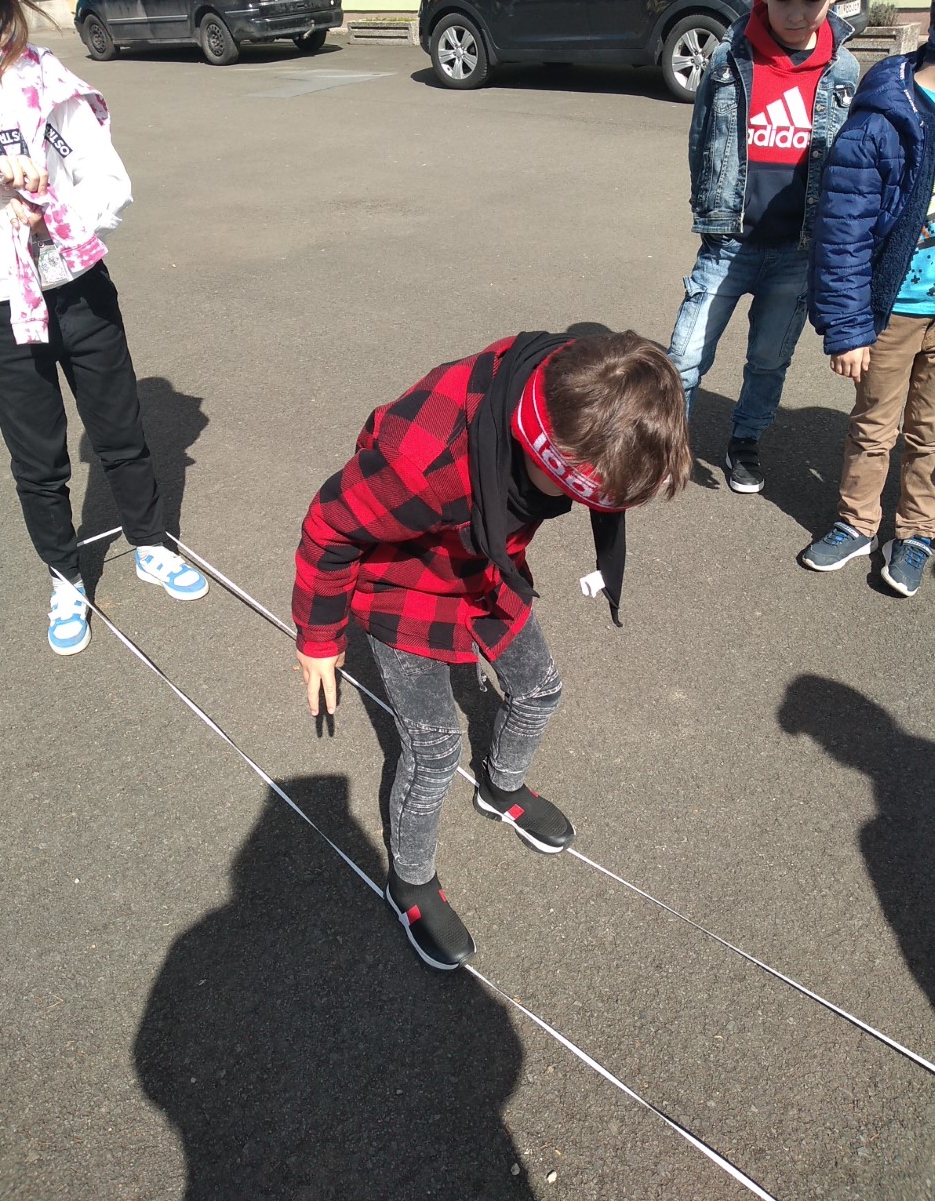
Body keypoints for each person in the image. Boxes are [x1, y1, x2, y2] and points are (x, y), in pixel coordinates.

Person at [292, 330, 691, 970]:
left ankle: (500, 790)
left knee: (540, 689)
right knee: (434, 748)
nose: (581, 508)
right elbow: (329, 527)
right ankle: (410, 882)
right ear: (547, 451)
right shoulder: (422, 465)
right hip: (403, 581)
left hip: (485, 557)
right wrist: (319, 637)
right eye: (582, 495)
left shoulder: (583, 371)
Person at [0, 0, 208, 657]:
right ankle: (65, 576)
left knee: (120, 427)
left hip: (77, 283)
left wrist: (55, 207)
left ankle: (150, 542)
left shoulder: (41, 73)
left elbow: (110, 179)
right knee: (37, 457)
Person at [666, 0, 858, 493]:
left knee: (769, 361)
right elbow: (702, 137)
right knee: (684, 356)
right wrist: (710, 208)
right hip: (728, 243)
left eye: (811, 0)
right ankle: (665, 445)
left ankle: (745, 441)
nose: (796, 14)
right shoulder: (729, 58)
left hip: (797, 251)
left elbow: (847, 163)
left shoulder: (844, 70)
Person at [801, 0, 935, 596]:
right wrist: (848, 327)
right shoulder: (886, 114)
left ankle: (918, 531)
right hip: (895, 307)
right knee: (875, 425)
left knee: (930, 432)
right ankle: (858, 522)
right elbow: (843, 229)